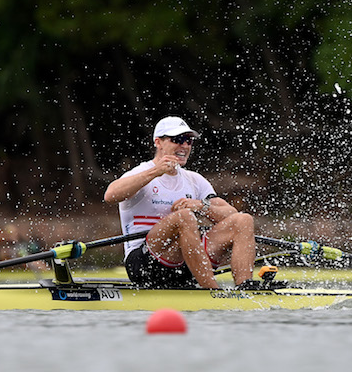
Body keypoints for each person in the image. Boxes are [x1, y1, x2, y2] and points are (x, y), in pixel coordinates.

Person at [103, 116, 256, 288]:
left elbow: (231, 215)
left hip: (186, 263)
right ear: (158, 142)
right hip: (145, 264)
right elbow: (110, 195)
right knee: (184, 217)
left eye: (189, 141)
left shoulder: (194, 180)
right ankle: (212, 289)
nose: (185, 146)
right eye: (178, 140)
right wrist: (156, 171)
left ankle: (246, 287)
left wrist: (201, 206)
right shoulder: (142, 172)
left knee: (244, 220)